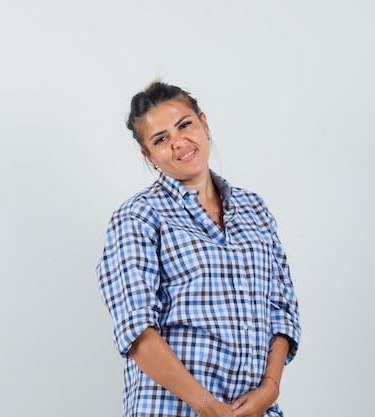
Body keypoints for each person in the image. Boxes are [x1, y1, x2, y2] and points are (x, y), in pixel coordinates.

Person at [96, 81, 301, 417]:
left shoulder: (254, 209)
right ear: (149, 155)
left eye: (185, 125)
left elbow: (282, 309)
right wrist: (207, 406)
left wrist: (270, 388)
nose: (178, 142)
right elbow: (137, 333)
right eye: (160, 139)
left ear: (203, 123)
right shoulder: (139, 217)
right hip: (172, 410)